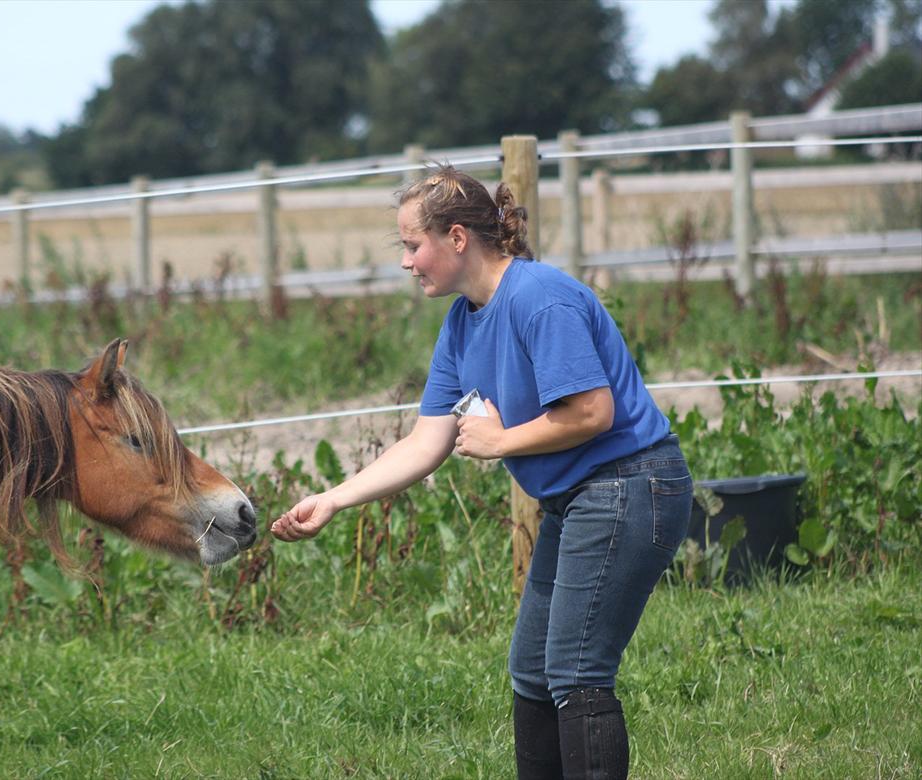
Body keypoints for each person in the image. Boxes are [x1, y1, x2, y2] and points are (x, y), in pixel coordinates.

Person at [271, 165, 693, 780]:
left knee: (576, 671)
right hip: (581, 498)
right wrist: (335, 499)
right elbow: (426, 442)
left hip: (630, 485)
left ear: (458, 238)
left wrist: (502, 440)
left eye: (413, 245)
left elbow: (592, 412)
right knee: (532, 669)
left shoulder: (539, 299)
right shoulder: (464, 321)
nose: (407, 262)